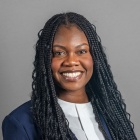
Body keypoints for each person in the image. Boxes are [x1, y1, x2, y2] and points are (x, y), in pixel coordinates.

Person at [2, 12, 137, 140]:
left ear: (95, 57)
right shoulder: (21, 122)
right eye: (59, 53)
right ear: (45, 60)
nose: (71, 61)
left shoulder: (111, 113)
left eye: (81, 51)